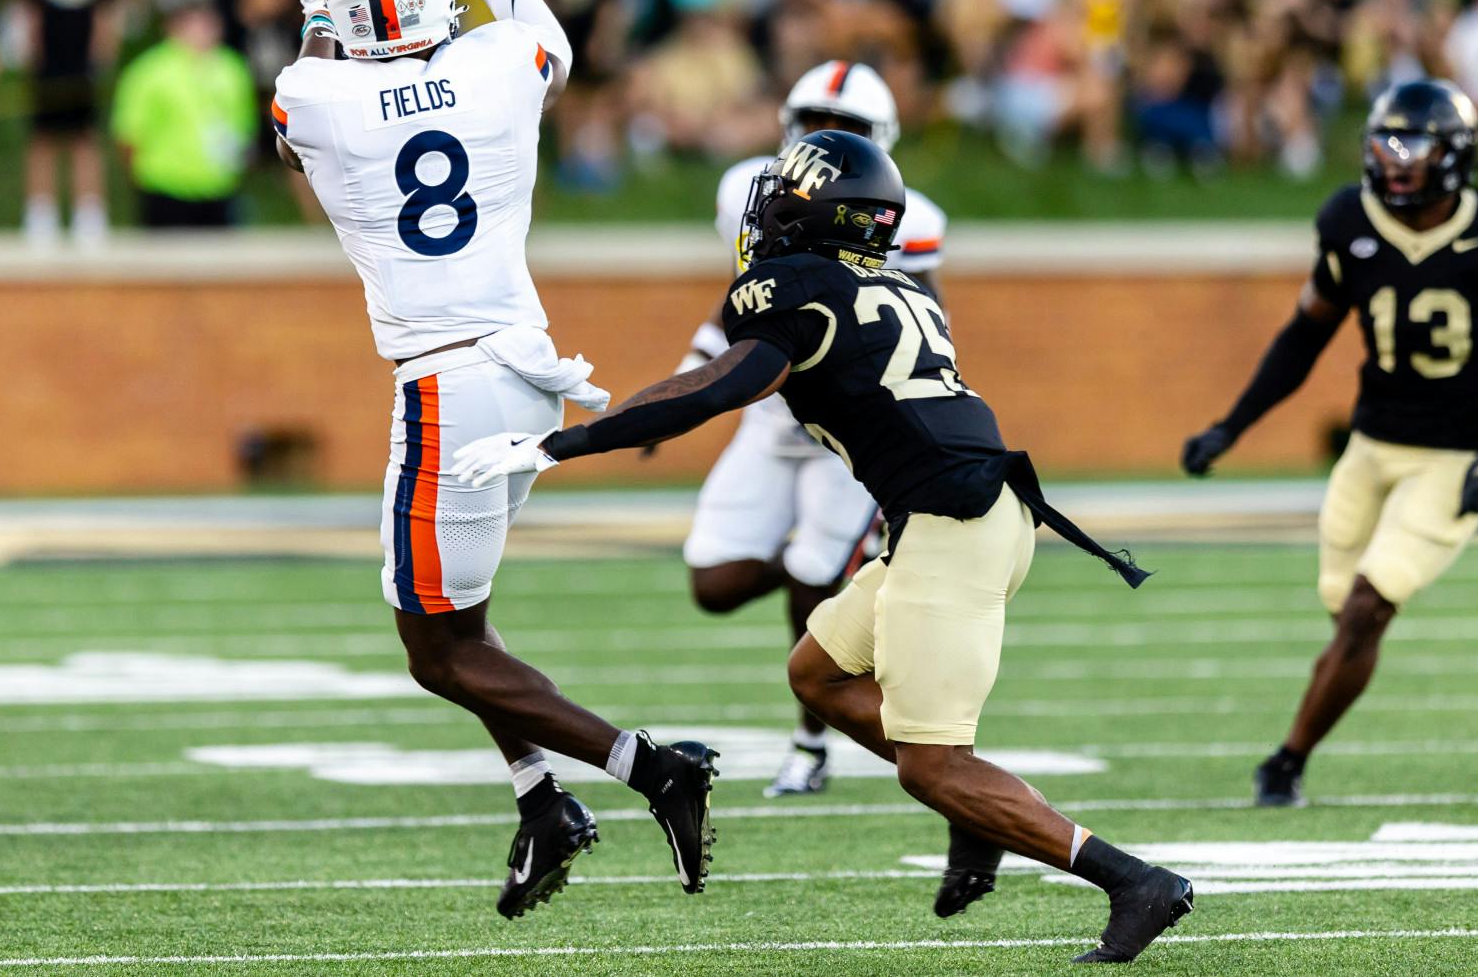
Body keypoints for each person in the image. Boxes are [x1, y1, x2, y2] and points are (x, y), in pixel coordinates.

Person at [453, 129, 1192, 964]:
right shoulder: (905, 287)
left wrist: (566, 444)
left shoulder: (793, 286)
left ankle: (1135, 881)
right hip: (969, 515)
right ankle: (975, 815)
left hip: (955, 527)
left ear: (813, 209)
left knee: (930, 766)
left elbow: (716, 388)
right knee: (818, 672)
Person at [270, 0, 718, 918]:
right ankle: (539, 802)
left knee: (435, 646)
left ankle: (651, 770)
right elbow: (548, 34)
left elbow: (295, 139)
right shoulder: (495, 61)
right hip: (526, 366)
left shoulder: (315, 89)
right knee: (455, 632)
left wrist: (317, 26)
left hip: (445, 385)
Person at [1181, 79, 1478, 808]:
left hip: (1459, 453)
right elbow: (1304, 337)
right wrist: (1231, 426)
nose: (1396, 160)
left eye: (1415, 145)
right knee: (1347, 619)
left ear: (1455, 154)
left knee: (1369, 607)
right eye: (1386, 142)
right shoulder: (1348, 219)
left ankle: (1285, 762)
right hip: (1371, 447)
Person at [673, 59, 947, 797]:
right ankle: (816, 563)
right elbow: (745, 300)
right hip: (768, 420)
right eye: (812, 125)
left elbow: (923, 320)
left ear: (879, 141)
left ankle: (810, 743)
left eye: (846, 132)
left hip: (842, 433)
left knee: (814, 587)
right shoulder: (751, 190)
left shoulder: (906, 220)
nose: (824, 144)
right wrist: (691, 370)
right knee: (715, 582)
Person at [11, 0, 117, 245]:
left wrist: (101, 55)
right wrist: (32, 55)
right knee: (43, 140)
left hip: (81, 67)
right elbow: (30, 14)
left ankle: (90, 211)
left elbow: (105, 16)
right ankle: (40, 211)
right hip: (49, 67)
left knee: (84, 140)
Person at [110, 0, 254, 229]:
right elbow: (128, 135)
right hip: (165, 188)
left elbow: (244, 125)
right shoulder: (149, 71)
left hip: (220, 188)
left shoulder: (233, 68)